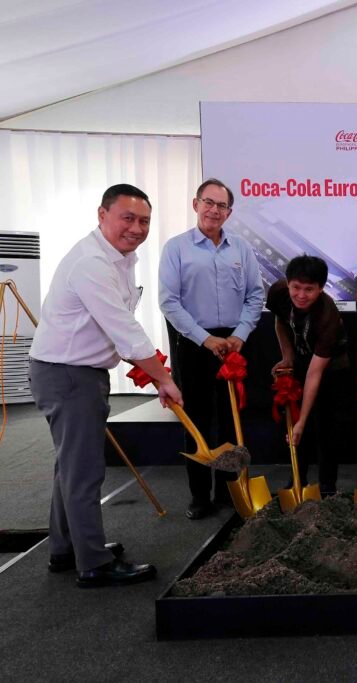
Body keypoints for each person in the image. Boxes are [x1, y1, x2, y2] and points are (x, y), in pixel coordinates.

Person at [30, 183, 183, 587]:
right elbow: (125, 329)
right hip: (68, 374)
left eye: (144, 221)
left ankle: (67, 549)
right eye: (127, 218)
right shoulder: (92, 263)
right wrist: (164, 378)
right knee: (84, 471)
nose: (136, 228)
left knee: (70, 467)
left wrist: (148, 366)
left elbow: (120, 330)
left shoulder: (120, 257)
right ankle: (93, 563)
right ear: (103, 215)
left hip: (75, 371)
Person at [158, 179, 264, 520]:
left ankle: (230, 492)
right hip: (193, 343)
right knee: (198, 421)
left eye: (221, 206)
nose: (214, 210)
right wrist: (205, 339)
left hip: (233, 344)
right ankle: (200, 497)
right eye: (209, 202)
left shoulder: (242, 249)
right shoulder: (176, 248)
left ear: (229, 212)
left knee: (233, 422)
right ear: (195, 204)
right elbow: (169, 302)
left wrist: (240, 335)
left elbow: (255, 296)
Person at [266, 255, 348, 495]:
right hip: (302, 359)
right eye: (296, 288)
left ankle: (327, 487)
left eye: (309, 289)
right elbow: (280, 321)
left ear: (321, 288)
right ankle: (297, 481)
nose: (301, 295)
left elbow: (315, 373)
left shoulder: (327, 315)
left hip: (331, 367)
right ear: (288, 283)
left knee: (324, 428)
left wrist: (303, 420)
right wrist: (288, 356)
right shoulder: (279, 292)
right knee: (294, 427)